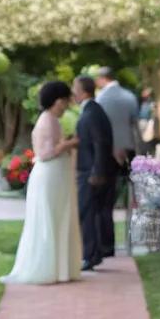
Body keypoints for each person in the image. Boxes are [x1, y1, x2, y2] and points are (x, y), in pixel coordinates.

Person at [1, 81, 82, 285]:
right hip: (50, 175)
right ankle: (50, 267)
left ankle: (60, 268)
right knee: (50, 218)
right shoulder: (47, 120)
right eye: (65, 101)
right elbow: (44, 154)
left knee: (58, 216)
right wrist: (69, 144)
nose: (67, 105)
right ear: (57, 101)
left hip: (55, 176)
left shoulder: (52, 120)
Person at [72, 75, 116, 271]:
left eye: (75, 88)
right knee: (92, 212)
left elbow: (100, 143)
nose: (73, 92)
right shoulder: (93, 110)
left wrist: (97, 171)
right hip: (91, 169)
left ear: (83, 91)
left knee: (87, 213)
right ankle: (95, 253)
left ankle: (89, 255)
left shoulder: (92, 112)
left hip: (91, 171)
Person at [94, 66, 139, 258]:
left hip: (107, 153)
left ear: (103, 79)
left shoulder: (101, 98)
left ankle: (106, 245)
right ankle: (125, 243)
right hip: (128, 152)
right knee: (124, 198)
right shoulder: (129, 97)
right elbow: (134, 124)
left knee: (104, 202)